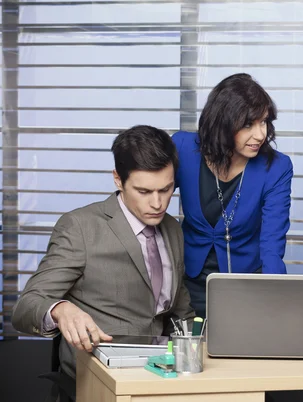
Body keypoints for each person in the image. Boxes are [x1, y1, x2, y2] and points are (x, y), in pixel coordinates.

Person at [12, 125, 195, 385]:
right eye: (144, 192)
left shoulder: (173, 229)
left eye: (166, 190)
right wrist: (61, 310)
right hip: (99, 380)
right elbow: (26, 307)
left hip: (161, 376)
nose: (158, 204)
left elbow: (181, 312)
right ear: (118, 180)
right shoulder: (80, 228)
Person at [172, 73, 293, 318]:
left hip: (247, 282)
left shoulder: (277, 167)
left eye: (264, 122)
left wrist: (274, 298)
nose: (260, 134)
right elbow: (150, 197)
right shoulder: (183, 149)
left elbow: (272, 243)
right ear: (222, 122)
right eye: (249, 124)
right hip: (188, 280)